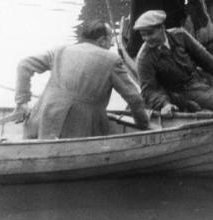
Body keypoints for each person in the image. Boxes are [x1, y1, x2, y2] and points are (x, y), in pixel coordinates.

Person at [13, 20, 149, 139]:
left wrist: (22, 102)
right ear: (102, 41)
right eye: (110, 39)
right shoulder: (112, 60)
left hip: (42, 124)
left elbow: (24, 65)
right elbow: (134, 99)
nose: (112, 44)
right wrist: (142, 124)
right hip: (82, 129)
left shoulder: (60, 50)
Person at [135, 10, 213, 114]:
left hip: (198, 77)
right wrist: (164, 104)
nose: (147, 39)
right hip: (180, 91)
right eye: (143, 35)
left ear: (162, 28)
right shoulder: (144, 58)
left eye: (150, 33)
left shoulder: (180, 35)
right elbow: (149, 90)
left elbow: (203, 57)